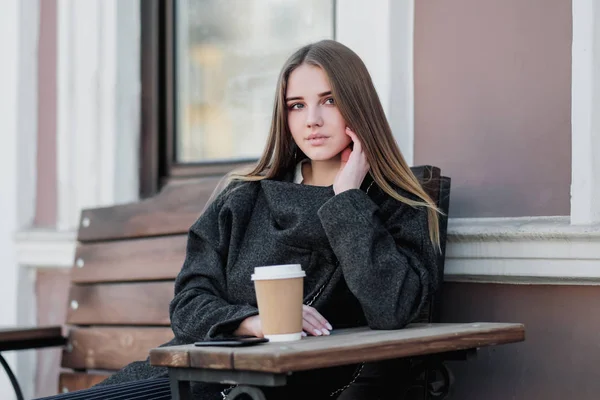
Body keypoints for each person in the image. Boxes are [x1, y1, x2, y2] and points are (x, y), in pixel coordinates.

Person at [39, 39, 440, 400]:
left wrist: (348, 200)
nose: (311, 120)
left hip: (268, 390)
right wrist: (250, 321)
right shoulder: (244, 196)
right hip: (186, 379)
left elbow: (393, 309)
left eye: (330, 101)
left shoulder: (392, 204)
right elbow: (188, 306)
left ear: (359, 106)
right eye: (296, 105)